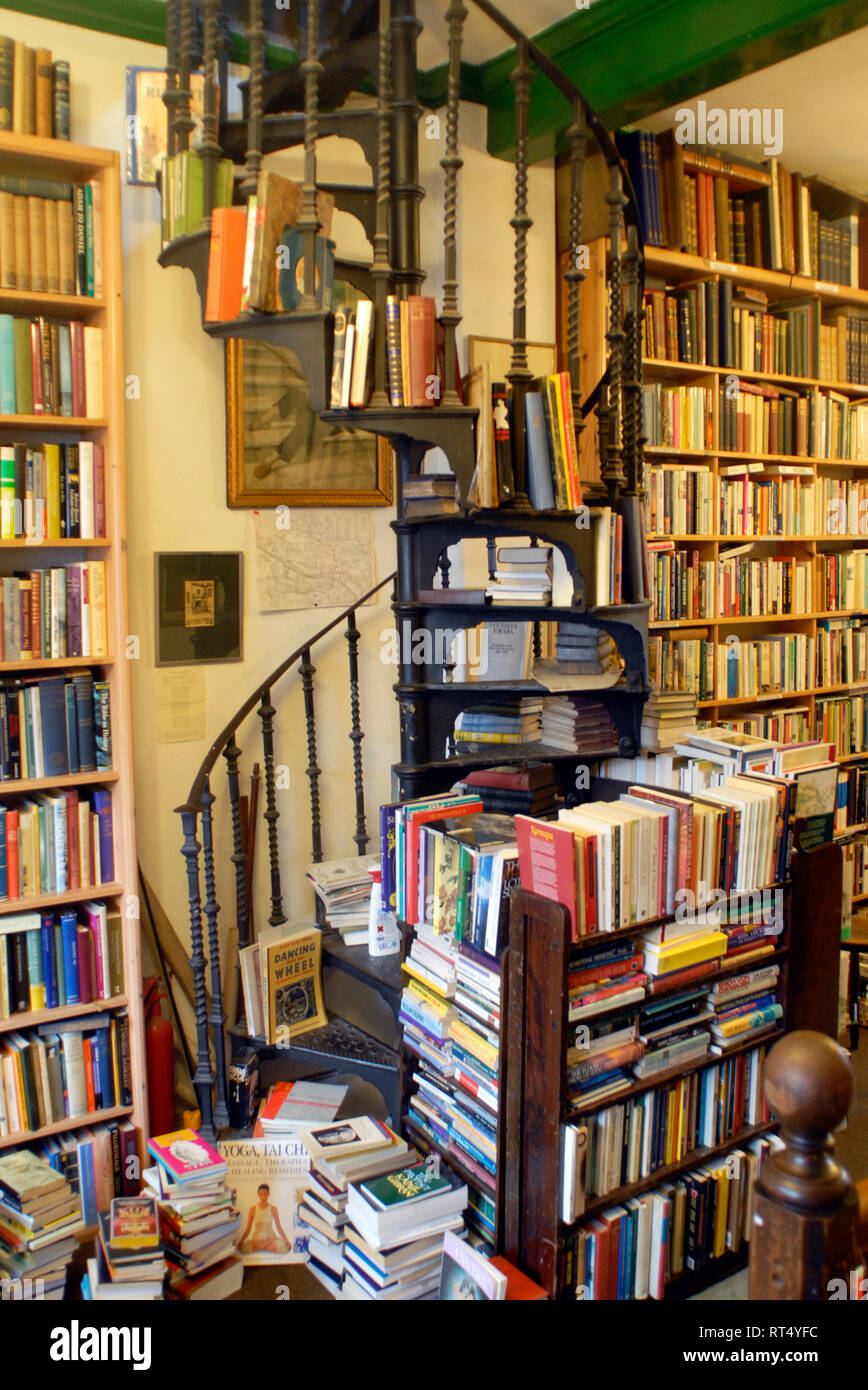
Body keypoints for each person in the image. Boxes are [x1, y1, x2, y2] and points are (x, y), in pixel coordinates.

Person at [237, 1184, 291, 1256]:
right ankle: (265, 1246)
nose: (263, 1197)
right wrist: (241, 1241)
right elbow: (248, 1229)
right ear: (258, 1195)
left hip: (270, 1238)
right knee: (242, 1248)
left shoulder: (273, 1209)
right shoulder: (252, 1209)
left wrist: (286, 1240)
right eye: (261, 1194)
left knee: (286, 1247)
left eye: (265, 1194)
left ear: (268, 1194)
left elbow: (279, 1227)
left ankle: (261, 1247)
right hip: (257, 1240)